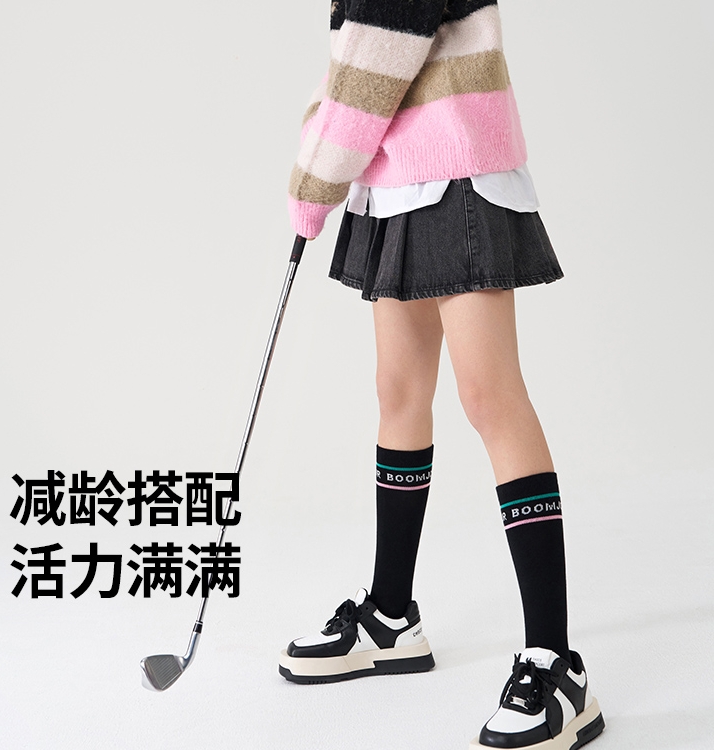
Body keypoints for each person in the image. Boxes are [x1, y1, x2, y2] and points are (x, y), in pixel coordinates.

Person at [279, 2, 604, 748]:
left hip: (456, 171)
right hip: (395, 177)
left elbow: (374, 65)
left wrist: (311, 182)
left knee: (491, 397)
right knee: (398, 394)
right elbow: (352, 65)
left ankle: (556, 661)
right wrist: (321, 147)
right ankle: (391, 615)